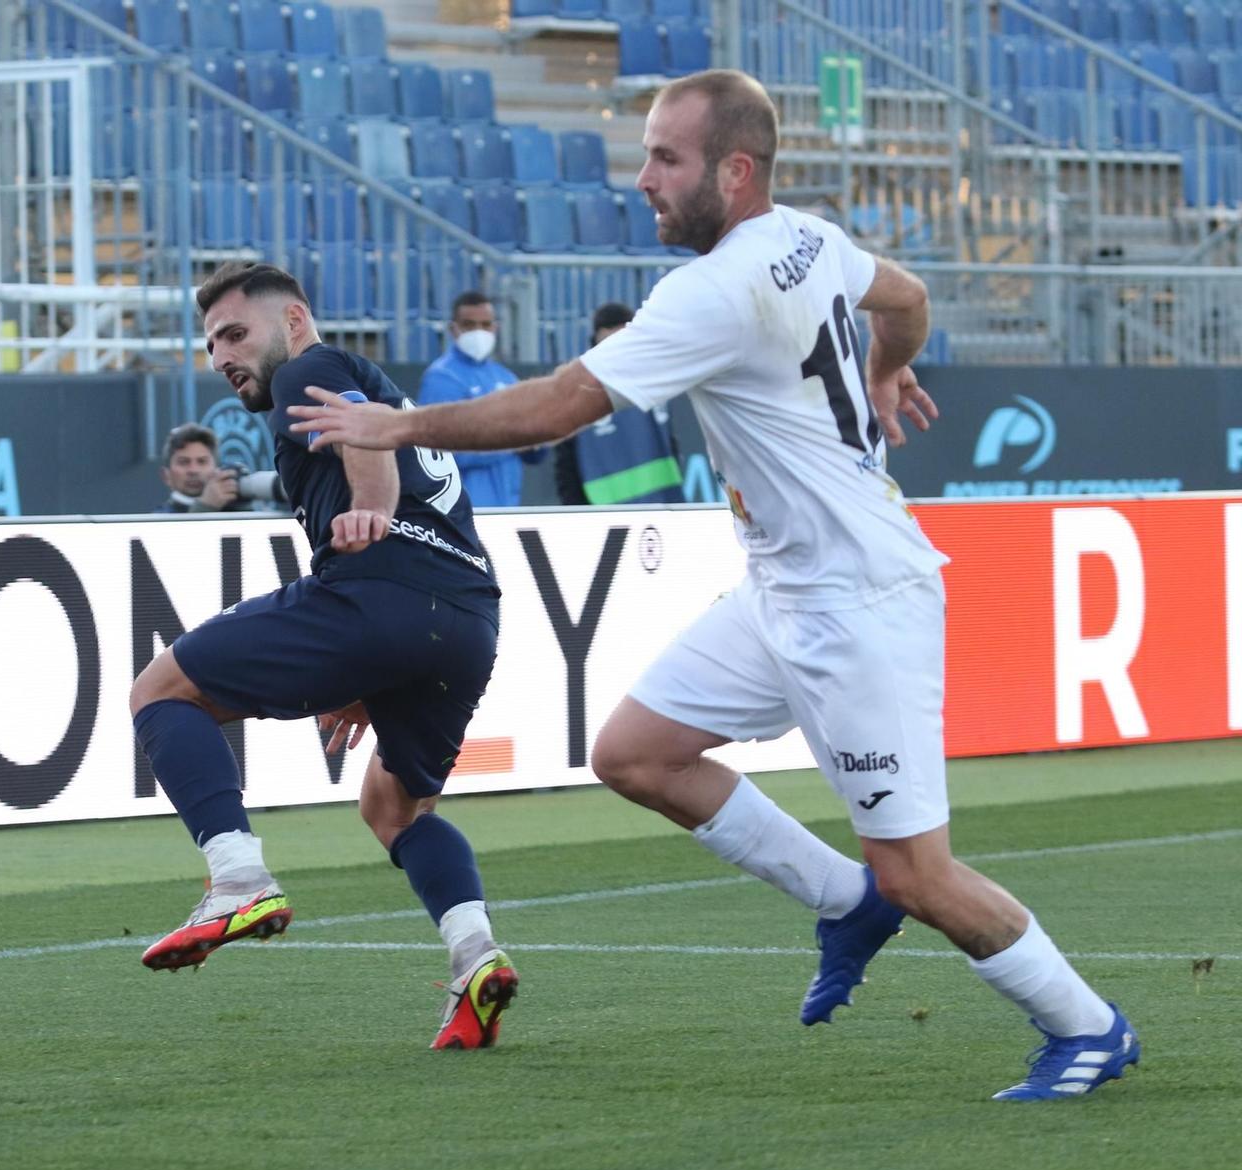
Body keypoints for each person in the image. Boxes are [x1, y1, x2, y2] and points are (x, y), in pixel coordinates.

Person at [290, 70, 1138, 1100]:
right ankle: (840, 900)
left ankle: (1086, 1026)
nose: (641, 178)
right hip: (782, 589)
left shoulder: (713, 287)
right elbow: (905, 300)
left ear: (733, 172)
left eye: (664, 158)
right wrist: (883, 367)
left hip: (858, 603)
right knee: (634, 753)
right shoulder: (809, 238)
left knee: (918, 872)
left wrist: (396, 423)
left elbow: (560, 404)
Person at [128, 261, 517, 1050]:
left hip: (382, 588)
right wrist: (370, 669)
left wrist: (371, 515)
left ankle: (237, 876)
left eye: (236, 333)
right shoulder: (358, 380)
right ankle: (476, 953)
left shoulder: (309, 366)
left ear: (295, 319)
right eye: (210, 345)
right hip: (468, 616)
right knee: (392, 805)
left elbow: (359, 429)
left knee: (161, 692)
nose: (222, 355)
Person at [418, 292, 546, 508]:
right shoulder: (442, 378)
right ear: (453, 329)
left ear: (495, 328)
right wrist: (512, 440)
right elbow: (439, 451)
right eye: (469, 324)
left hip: (507, 505)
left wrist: (536, 440)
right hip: (462, 510)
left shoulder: (505, 377)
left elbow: (532, 447)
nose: (479, 332)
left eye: (485, 324)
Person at [554, 303, 687, 506]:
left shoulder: (653, 378)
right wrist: (576, 511)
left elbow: (669, 445)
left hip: (659, 507)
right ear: (598, 337)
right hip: (601, 513)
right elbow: (567, 461)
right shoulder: (579, 386)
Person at [151, 423, 285, 514]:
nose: (194, 470)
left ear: (216, 468)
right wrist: (205, 507)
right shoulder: (156, 521)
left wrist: (242, 508)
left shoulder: (232, 508)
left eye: (202, 462)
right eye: (184, 462)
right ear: (166, 475)